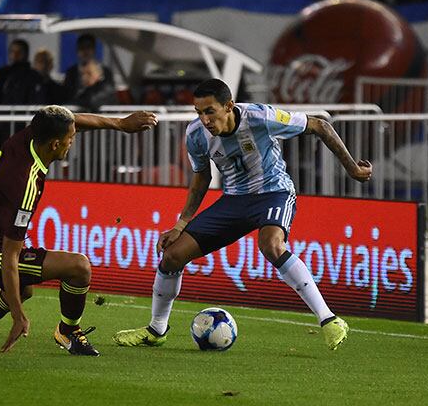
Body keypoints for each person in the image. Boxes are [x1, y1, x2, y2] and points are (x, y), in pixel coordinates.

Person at [112, 79, 372, 351]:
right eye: (198, 112)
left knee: (271, 245)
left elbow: (320, 125)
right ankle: (156, 330)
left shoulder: (260, 116)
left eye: (210, 111)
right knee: (173, 255)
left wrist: (353, 169)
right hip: (234, 200)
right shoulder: (196, 134)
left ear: (228, 106)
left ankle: (329, 319)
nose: (204, 119)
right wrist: (181, 223)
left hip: (274, 191)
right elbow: (202, 177)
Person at [0, 106, 158, 355]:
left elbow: (71, 121)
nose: (73, 141)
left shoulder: (31, 135)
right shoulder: (24, 184)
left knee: (22, 289)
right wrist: (18, 317)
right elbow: (9, 257)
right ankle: (68, 331)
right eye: (71, 138)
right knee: (78, 268)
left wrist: (119, 124)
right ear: (55, 144)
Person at [62, 34, 114, 99]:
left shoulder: (105, 72)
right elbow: (66, 94)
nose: (85, 51)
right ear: (77, 50)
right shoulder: (71, 72)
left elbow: (110, 93)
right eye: (82, 48)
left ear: (94, 49)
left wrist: (97, 81)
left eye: (88, 47)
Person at [0, 39, 43, 105]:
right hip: (3, 113)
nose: (15, 55)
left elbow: (34, 99)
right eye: (12, 51)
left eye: (19, 52)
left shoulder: (33, 75)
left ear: (26, 54)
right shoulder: (3, 72)